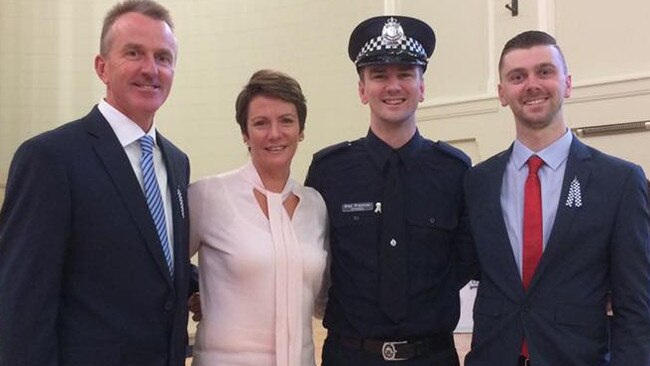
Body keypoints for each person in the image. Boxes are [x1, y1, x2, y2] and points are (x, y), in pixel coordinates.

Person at [0, 1, 191, 365]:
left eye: (163, 57)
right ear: (102, 67)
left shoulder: (177, 163)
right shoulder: (50, 158)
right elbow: (22, 304)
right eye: (134, 53)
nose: (151, 68)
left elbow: (150, 261)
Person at [463, 30, 650, 366]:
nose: (532, 84)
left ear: (567, 83)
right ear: (502, 93)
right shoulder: (477, 182)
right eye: (517, 77)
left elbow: (635, 304)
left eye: (545, 72)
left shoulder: (619, 181)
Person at [305, 16, 476, 365]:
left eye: (405, 74)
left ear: (422, 87)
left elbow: (464, 263)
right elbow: (314, 264)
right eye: (379, 76)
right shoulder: (329, 171)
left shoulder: (454, 171)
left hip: (432, 356)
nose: (392, 86)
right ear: (362, 89)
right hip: (350, 355)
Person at [187, 69, 328, 366]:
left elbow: (321, 301)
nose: (274, 134)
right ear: (245, 134)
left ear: (301, 129)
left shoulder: (316, 206)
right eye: (260, 123)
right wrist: (195, 292)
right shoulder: (209, 195)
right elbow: (163, 269)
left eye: (286, 121)